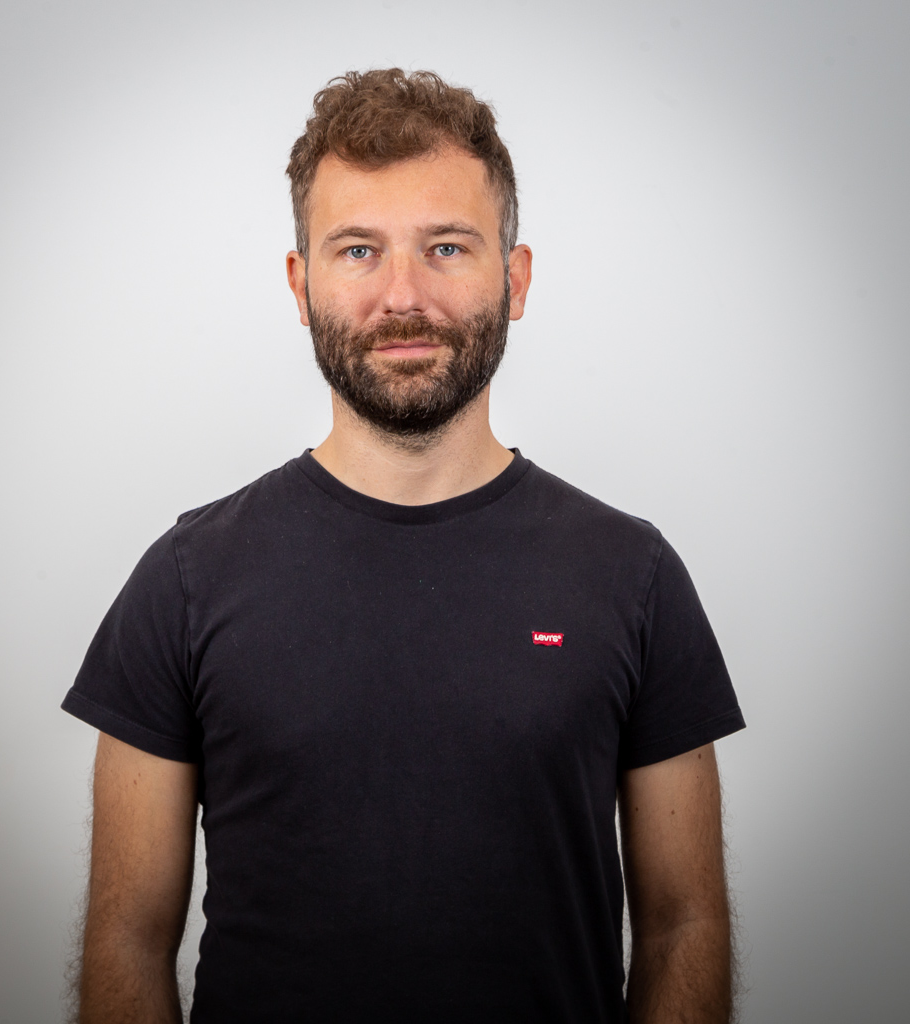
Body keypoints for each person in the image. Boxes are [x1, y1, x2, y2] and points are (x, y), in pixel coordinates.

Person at [62, 68, 745, 1024]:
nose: (403, 296)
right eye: (357, 251)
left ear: (516, 279)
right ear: (301, 286)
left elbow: (684, 928)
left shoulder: (634, 577)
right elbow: (127, 940)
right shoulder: (184, 580)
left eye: (447, 247)